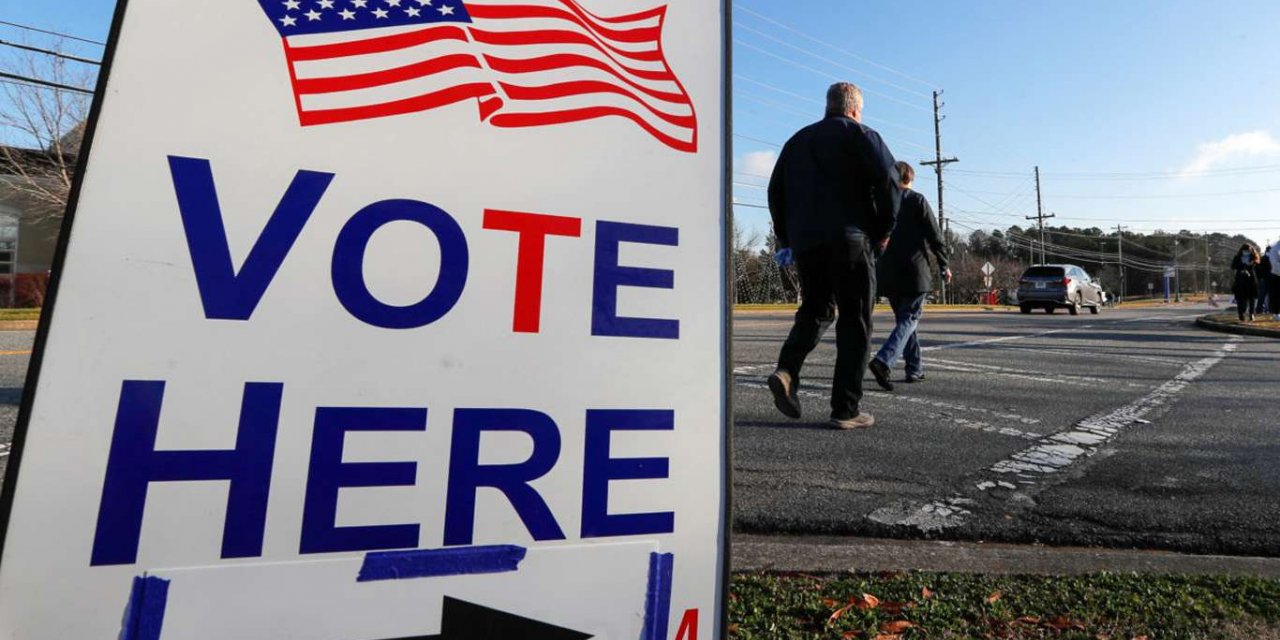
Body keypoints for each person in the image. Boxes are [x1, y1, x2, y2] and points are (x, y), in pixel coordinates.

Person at [766, 82, 900, 430]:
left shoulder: (797, 141)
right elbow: (889, 180)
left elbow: (775, 191)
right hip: (851, 240)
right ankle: (846, 408)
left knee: (815, 310)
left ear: (828, 106)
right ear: (855, 109)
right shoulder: (863, 135)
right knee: (855, 321)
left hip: (807, 243)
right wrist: (883, 230)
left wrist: (787, 238)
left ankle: (787, 371)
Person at [868, 162, 950, 390]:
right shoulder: (917, 200)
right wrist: (944, 265)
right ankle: (884, 360)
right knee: (909, 319)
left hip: (889, 273)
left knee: (905, 321)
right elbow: (935, 236)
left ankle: (914, 369)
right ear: (910, 178)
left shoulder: (882, 202)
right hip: (915, 271)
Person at [1231, 243, 1260, 322]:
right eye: (1245, 250)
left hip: (1251, 280)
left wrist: (1250, 265)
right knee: (1241, 299)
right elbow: (1233, 266)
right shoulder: (1237, 257)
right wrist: (1242, 265)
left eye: (1248, 250)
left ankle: (1251, 313)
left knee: (1252, 298)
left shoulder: (1254, 257)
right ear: (1242, 250)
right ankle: (1241, 313)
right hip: (1240, 280)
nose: (1246, 252)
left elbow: (1258, 267)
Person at [1259, 246, 1273, 317]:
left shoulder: (1273, 258)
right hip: (1265, 279)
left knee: (1270, 296)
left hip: (1271, 279)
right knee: (1262, 295)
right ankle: (1259, 309)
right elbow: (1259, 269)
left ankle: (1270, 309)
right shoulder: (1263, 258)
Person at [1269, 242, 1280, 320]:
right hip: (1277, 275)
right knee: (1276, 296)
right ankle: (1276, 313)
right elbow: (1274, 263)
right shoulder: (1275, 249)